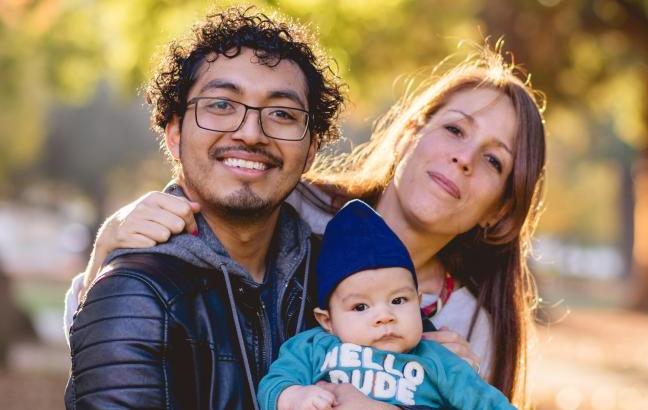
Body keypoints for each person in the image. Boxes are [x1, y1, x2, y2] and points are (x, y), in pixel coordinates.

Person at [65, 39, 547, 408]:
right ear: (409, 135)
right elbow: (131, 330)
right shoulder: (296, 205)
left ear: (500, 210)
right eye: (455, 129)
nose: (463, 158)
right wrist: (107, 248)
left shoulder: (470, 322)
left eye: (493, 161)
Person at [64, 6, 359, 410]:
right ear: (174, 134)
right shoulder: (135, 295)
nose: (251, 133)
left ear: (310, 152)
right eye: (221, 105)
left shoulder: (345, 276)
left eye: (282, 114)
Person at [258, 199, 515, 410]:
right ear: (327, 320)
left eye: (398, 300)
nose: (385, 315)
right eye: (360, 307)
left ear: (417, 300)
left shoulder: (436, 358)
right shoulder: (314, 348)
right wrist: (295, 397)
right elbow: (275, 383)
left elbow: (484, 400)